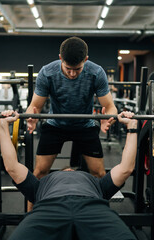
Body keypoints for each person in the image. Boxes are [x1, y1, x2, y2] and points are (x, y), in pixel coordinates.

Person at [0, 110, 138, 240]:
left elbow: (126, 168)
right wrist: (3, 125)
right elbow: (11, 167)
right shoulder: (42, 184)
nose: (70, 170)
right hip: (54, 209)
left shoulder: (96, 184)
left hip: (88, 208)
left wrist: (132, 127)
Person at [26, 36, 117, 180]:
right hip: (55, 124)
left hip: (84, 124)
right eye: (68, 69)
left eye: (77, 69)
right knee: (39, 173)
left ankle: (99, 203)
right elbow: (34, 106)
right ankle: (35, 204)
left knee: (99, 174)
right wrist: (31, 118)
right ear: (60, 58)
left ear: (85, 60)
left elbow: (110, 106)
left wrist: (108, 119)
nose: (72, 74)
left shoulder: (96, 73)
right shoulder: (47, 73)